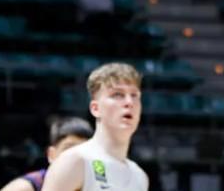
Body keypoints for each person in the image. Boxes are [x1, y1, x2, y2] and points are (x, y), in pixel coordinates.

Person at [40, 62, 148, 191]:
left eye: (134, 95)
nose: (129, 102)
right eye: (118, 94)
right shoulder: (75, 161)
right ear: (95, 109)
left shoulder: (140, 176)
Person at [0, 117, 93, 191]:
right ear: (51, 154)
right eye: (68, 149)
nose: (75, 158)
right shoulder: (25, 187)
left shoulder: (97, 184)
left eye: (82, 151)